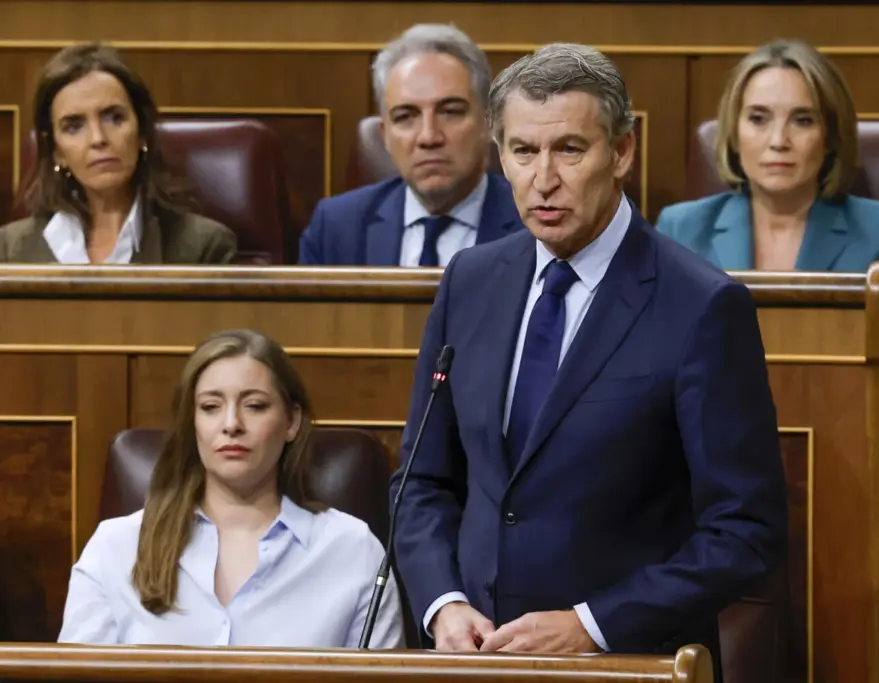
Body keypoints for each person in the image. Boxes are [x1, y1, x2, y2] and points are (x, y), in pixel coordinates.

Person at [390, 43, 787, 667]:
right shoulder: (469, 280)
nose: (543, 178)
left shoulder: (702, 306)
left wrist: (593, 625)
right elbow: (422, 481)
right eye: (523, 152)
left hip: (625, 664)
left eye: (569, 150)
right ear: (502, 156)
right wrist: (442, 601)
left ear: (622, 151)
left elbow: (746, 533)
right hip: (474, 658)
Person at [656, 39, 879, 412]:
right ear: (734, 135)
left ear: (830, 137)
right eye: (758, 118)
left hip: (831, 452)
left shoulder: (877, 235)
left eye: (802, 120)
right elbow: (643, 364)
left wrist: (829, 389)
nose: (778, 141)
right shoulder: (683, 232)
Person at [58, 329, 404, 648]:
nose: (231, 424)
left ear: (292, 421)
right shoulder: (116, 548)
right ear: (192, 422)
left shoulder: (352, 550)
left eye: (254, 406)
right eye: (210, 407)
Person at [298, 24, 522, 266]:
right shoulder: (336, 228)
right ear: (385, 135)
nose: (428, 137)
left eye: (450, 112)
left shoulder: (535, 225)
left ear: (488, 123)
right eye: (405, 117)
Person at [0, 43, 236, 264]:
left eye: (115, 118)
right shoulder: (9, 250)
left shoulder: (203, 247)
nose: (98, 139)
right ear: (56, 151)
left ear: (142, 132)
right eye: (73, 126)